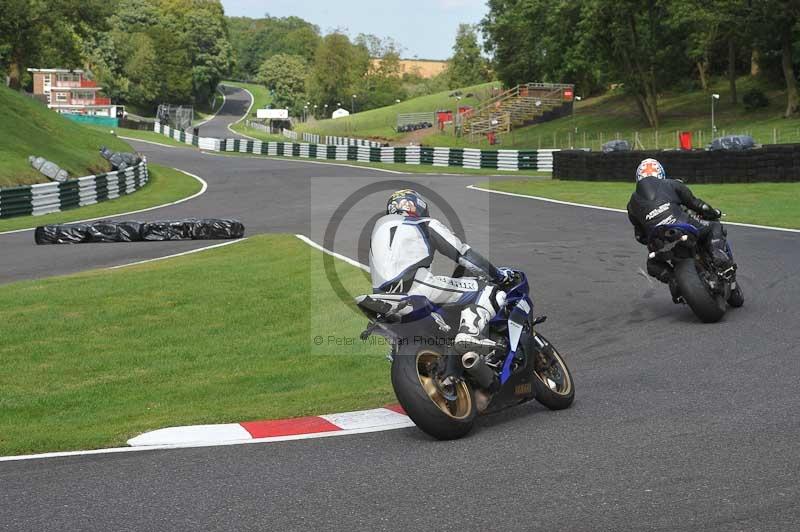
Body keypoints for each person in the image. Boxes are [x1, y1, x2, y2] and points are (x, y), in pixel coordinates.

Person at [369, 189, 512, 354]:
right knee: (489, 290)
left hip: (381, 296)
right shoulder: (424, 223)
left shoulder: (378, 232)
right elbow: (463, 254)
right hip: (415, 286)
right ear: (417, 205)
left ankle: (400, 354)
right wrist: (498, 275)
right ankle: (470, 332)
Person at [627, 158, 735, 299]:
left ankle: (674, 282)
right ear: (661, 173)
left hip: (659, 239)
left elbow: (639, 236)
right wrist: (714, 213)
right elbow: (698, 205)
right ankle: (718, 255)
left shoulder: (631, 204)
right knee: (714, 227)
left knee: (652, 264)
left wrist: (651, 240)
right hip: (682, 225)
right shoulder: (671, 184)